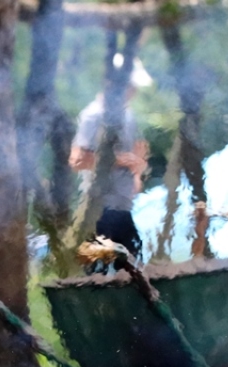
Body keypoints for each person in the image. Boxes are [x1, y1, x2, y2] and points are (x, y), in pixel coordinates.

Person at [69, 55, 152, 266]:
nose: (133, 92)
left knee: (133, 262)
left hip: (123, 206)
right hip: (101, 208)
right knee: (101, 268)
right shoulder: (93, 116)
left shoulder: (127, 114)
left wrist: (137, 172)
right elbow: (77, 160)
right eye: (130, 86)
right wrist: (117, 161)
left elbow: (139, 147)